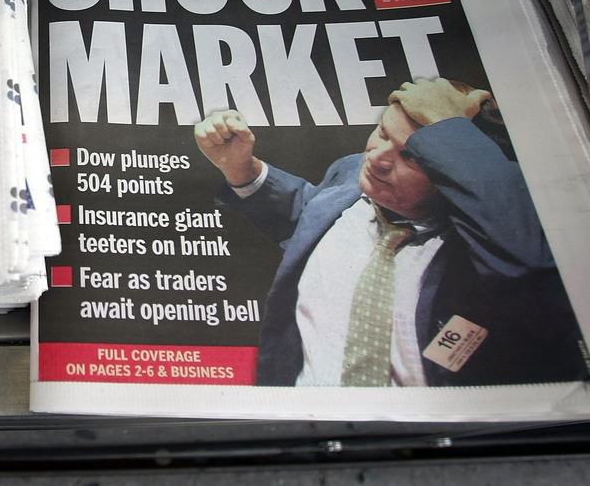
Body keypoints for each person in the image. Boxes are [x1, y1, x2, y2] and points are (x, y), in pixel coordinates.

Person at [194, 77, 586, 387]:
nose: (377, 159)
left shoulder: (500, 240)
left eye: (412, 154)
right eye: (382, 132)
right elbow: (311, 215)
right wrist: (242, 170)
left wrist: (448, 130)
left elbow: (529, 267)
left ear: (461, 169)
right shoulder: (353, 172)